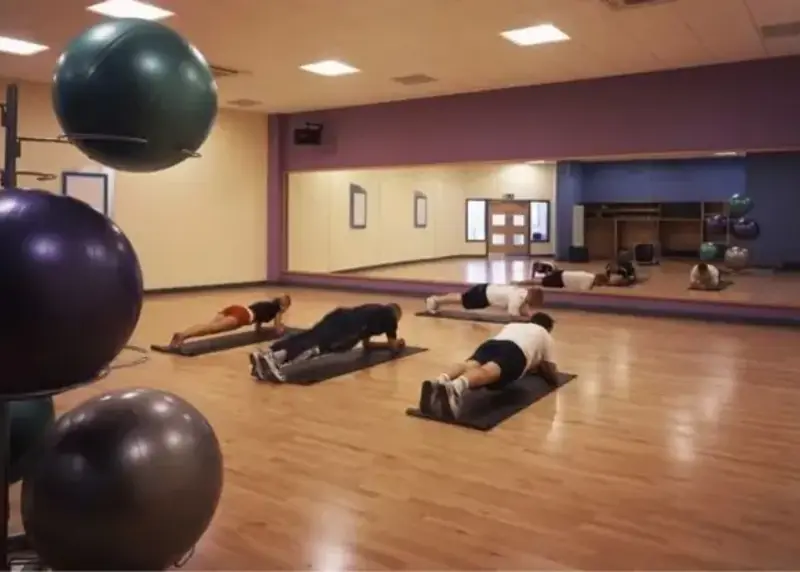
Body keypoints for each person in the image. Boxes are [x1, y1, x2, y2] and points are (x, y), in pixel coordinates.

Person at [419, 312, 559, 420]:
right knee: (489, 370)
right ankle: (455, 387)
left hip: (492, 343)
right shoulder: (545, 334)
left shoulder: (514, 325)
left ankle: (440, 380)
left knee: (470, 364)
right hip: (516, 351)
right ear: (548, 328)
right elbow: (550, 370)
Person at [250, 303, 405, 382]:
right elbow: (393, 347)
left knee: (310, 335)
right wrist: (398, 343)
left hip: (339, 315)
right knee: (316, 345)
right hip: (348, 327)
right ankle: (275, 359)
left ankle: (270, 353)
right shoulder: (390, 317)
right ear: (397, 315)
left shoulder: (375, 311)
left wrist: (387, 344)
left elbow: (367, 345)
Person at [168, 295, 291, 348]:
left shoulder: (266, 305)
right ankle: (182, 335)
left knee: (209, 326)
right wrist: (282, 327)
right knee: (211, 329)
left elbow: (258, 326)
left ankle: (183, 335)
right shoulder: (277, 311)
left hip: (237, 308)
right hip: (243, 316)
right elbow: (278, 330)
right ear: (284, 306)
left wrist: (263, 329)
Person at [425, 284, 543, 317]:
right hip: (483, 295)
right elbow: (513, 316)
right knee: (462, 299)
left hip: (486, 291)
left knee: (462, 298)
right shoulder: (516, 298)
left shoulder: (522, 292)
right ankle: (434, 300)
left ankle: (436, 300)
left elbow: (524, 309)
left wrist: (530, 315)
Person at [517, 269, 606, 290]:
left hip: (562, 274)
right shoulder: (588, 281)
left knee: (539, 281)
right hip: (560, 279)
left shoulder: (590, 276)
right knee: (539, 282)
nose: (599, 286)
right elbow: (584, 292)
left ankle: (520, 282)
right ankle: (519, 283)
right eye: (600, 284)